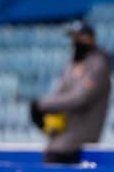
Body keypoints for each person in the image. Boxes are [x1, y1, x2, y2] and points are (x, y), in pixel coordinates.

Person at [30, 20, 111, 164]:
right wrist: (41, 108)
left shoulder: (99, 64)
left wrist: (42, 105)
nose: (75, 42)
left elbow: (80, 98)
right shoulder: (72, 64)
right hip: (62, 137)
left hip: (80, 139)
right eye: (73, 37)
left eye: (79, 37)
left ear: (90, 39)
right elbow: (59, 93)